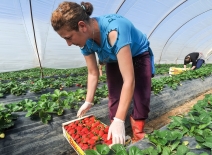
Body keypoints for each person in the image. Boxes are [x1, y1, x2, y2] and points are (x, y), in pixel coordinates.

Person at [51, 1, 155, 145]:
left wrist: (120, 120)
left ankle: (138, 134)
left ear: (82, 26)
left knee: (141, 95)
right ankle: (115, 136)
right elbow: (93, 73)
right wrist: (88, 101)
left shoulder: (115, 30)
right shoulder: (85, 41)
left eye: (68, 37)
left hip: (137, 53)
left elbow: (129, 80)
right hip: (111, 57)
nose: (68, 43)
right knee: (114, 95)